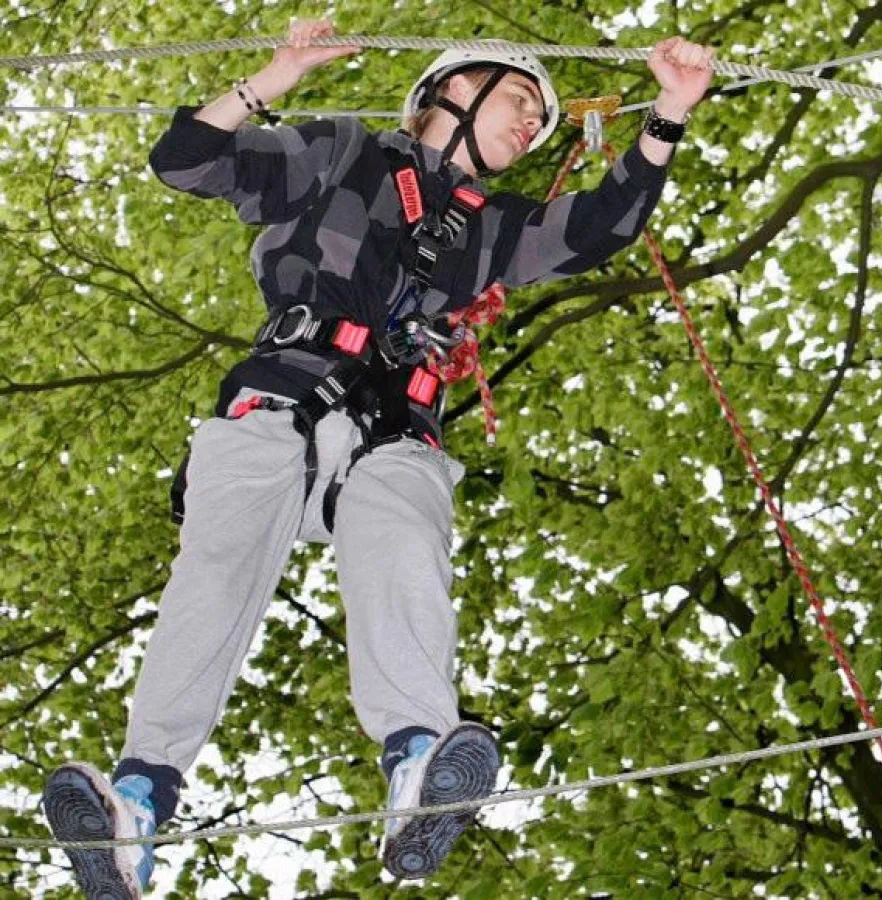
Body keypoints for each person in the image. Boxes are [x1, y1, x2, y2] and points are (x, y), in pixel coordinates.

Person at [42, 18, 714, 898]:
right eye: (518, 101)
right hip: (284, 388)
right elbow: (186, 162)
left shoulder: (496, 228)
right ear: (453, 91)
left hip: (398, 421)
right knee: (214, 572)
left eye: (539, 121)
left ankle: (417, 767)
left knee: (405, 545)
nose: (529, 127)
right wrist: (273, 78)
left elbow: (597, 227)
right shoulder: (341, 153)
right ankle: (137, 799)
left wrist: (667, 112)